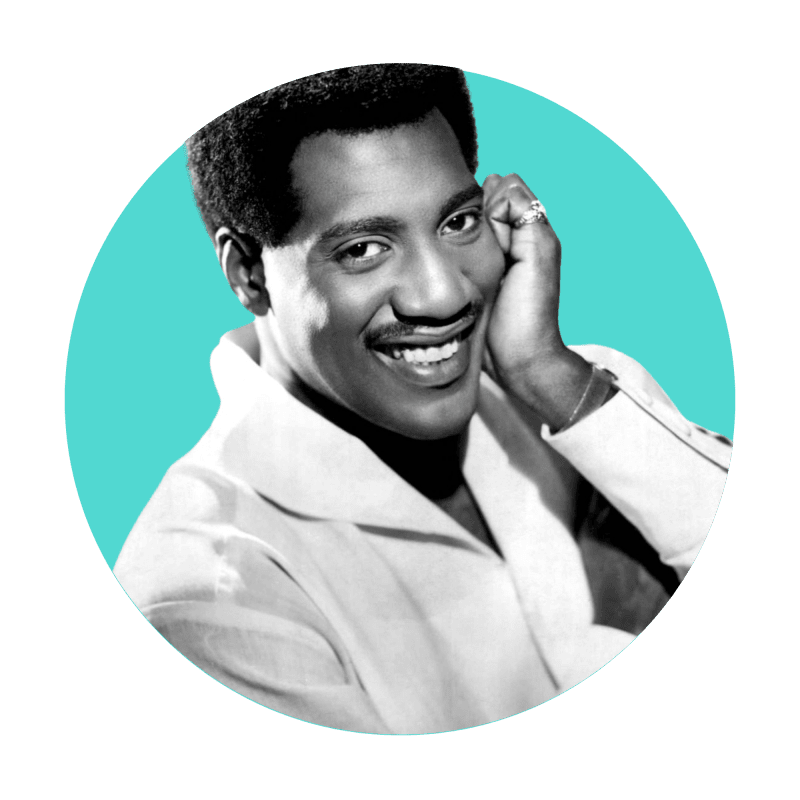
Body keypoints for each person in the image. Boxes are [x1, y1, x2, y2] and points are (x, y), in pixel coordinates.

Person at [114, 64, 731, 734]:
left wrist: (549, 375)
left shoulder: (581, 397)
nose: (443, 295)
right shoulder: (210, 594)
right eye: (363, 249)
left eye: (458, 221)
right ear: (248, 272)